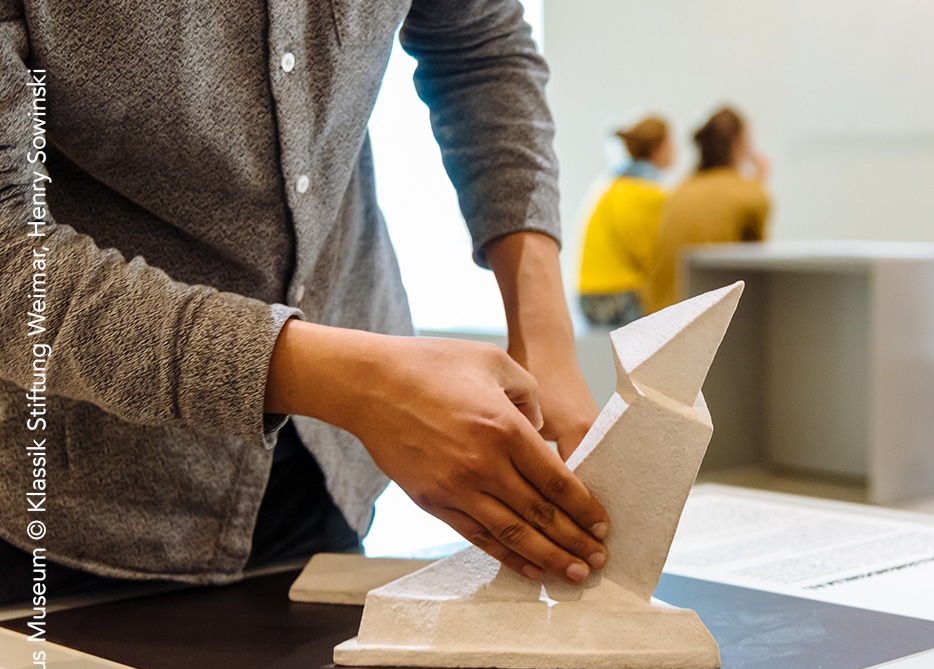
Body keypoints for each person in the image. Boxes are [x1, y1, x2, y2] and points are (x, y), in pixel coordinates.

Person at [0, 2, 611, 602]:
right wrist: (362, 386)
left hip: (329, 468)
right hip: (63, 500)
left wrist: (545, 339)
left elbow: (478, 50)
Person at [650, 106, 770, 312]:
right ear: (737, 143)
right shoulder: (749, 193)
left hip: (659, 314)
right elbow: (759, 268)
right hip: (705, 318)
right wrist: (758, 184)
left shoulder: (680, 190)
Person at [576, 115, 674, 325]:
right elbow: (651, 258)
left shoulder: (610, 185)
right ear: (658, 148)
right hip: (617, 297)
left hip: (587, 297)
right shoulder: (647, 193)